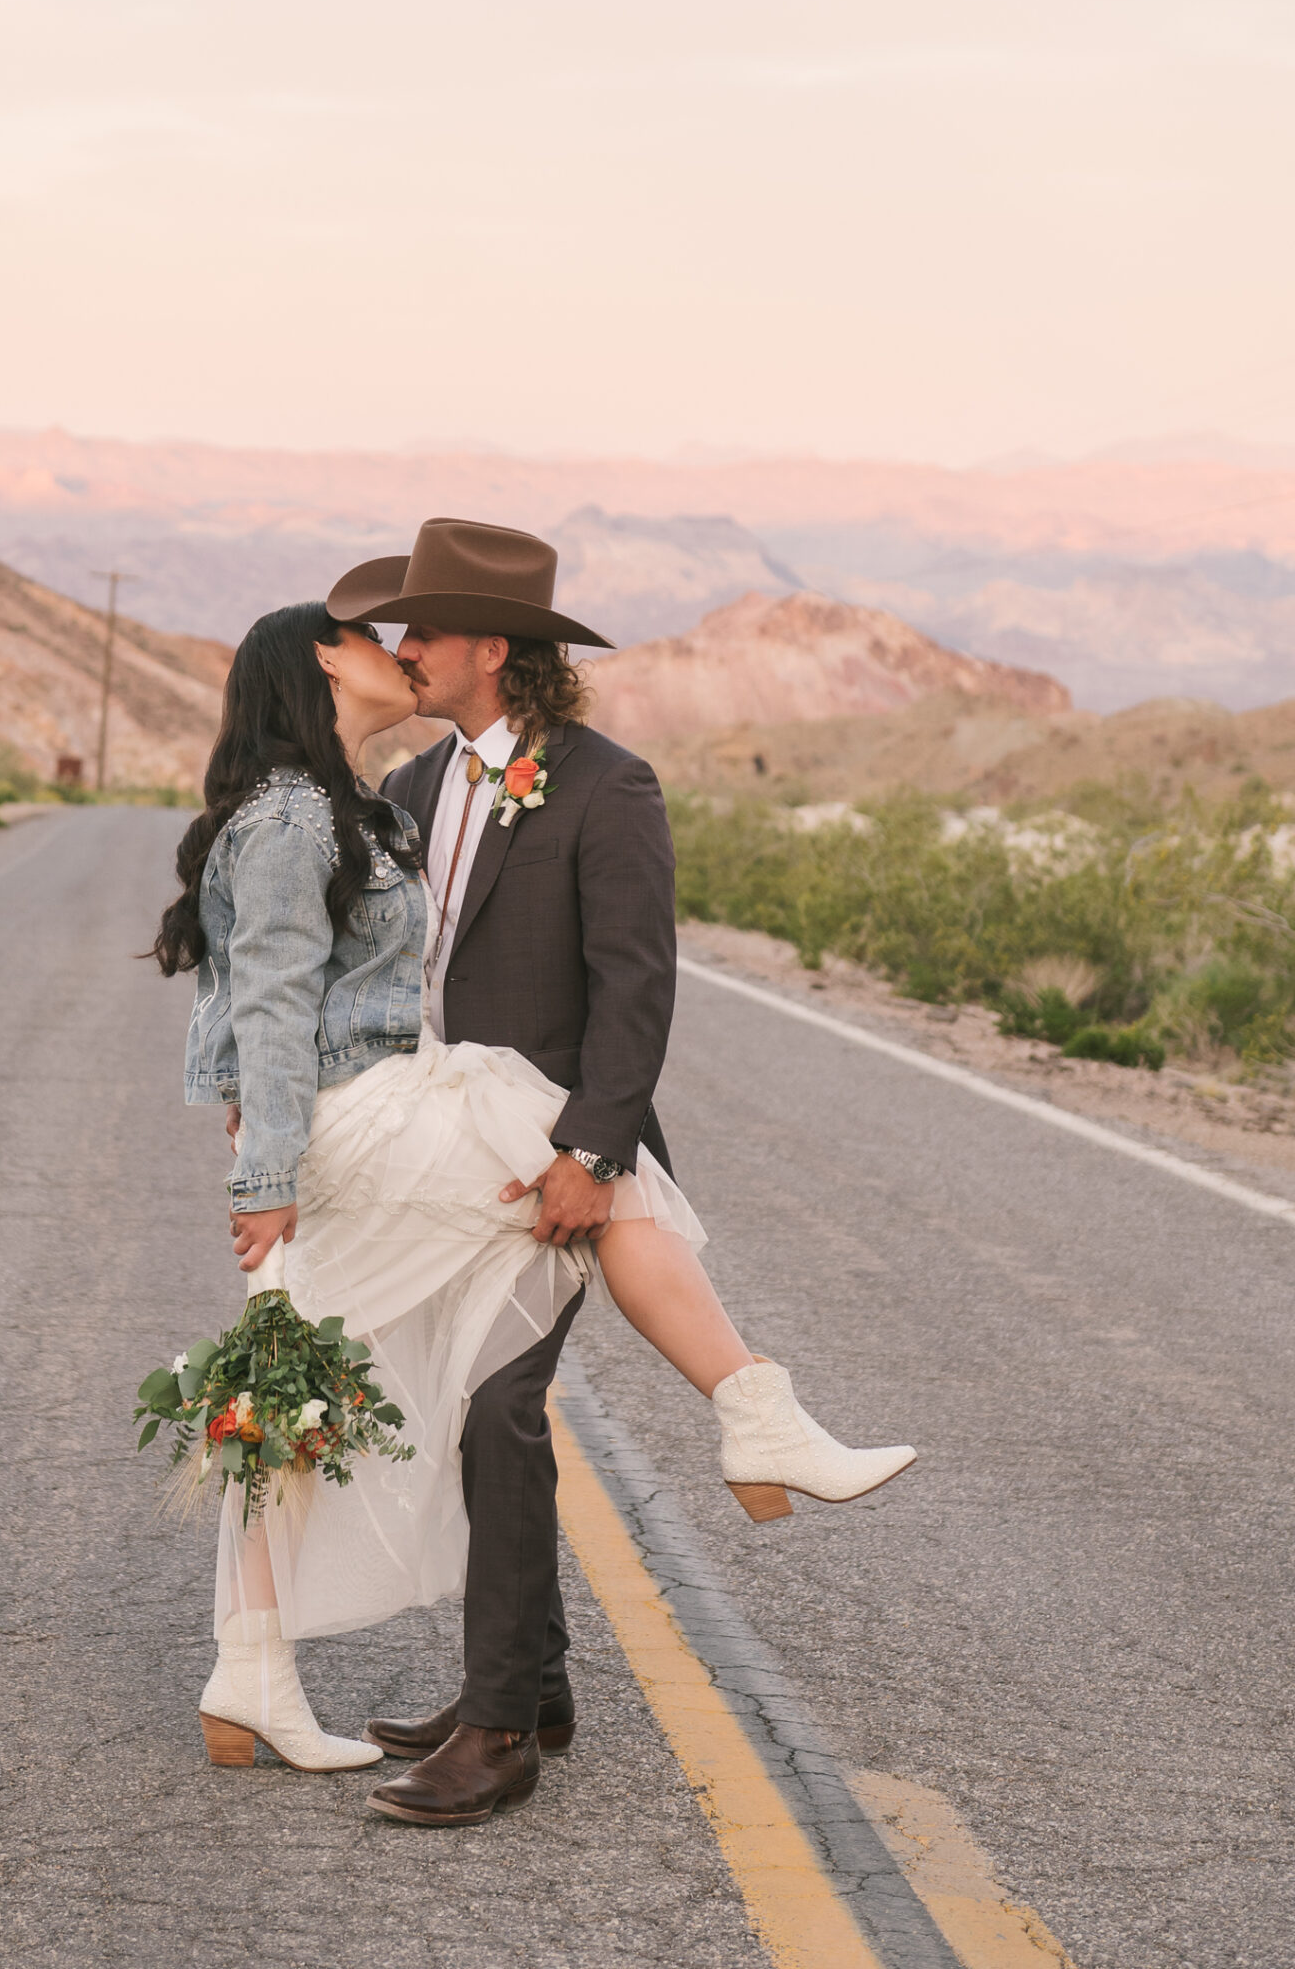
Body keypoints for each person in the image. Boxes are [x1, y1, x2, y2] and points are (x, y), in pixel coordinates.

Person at [154, 542, 912, 1829]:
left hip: (544, 1149)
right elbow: (301, 973)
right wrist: (259, 1094)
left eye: (421, 634)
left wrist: (596, 1151)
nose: (402, 652)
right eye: (382, 641)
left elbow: (636, 986)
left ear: (491, 647)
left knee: (493, 1407)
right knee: (437, 1402)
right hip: (415, 1142)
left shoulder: (608, 787)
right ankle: (523, 1668)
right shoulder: (403, 784)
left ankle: (500, 1721)